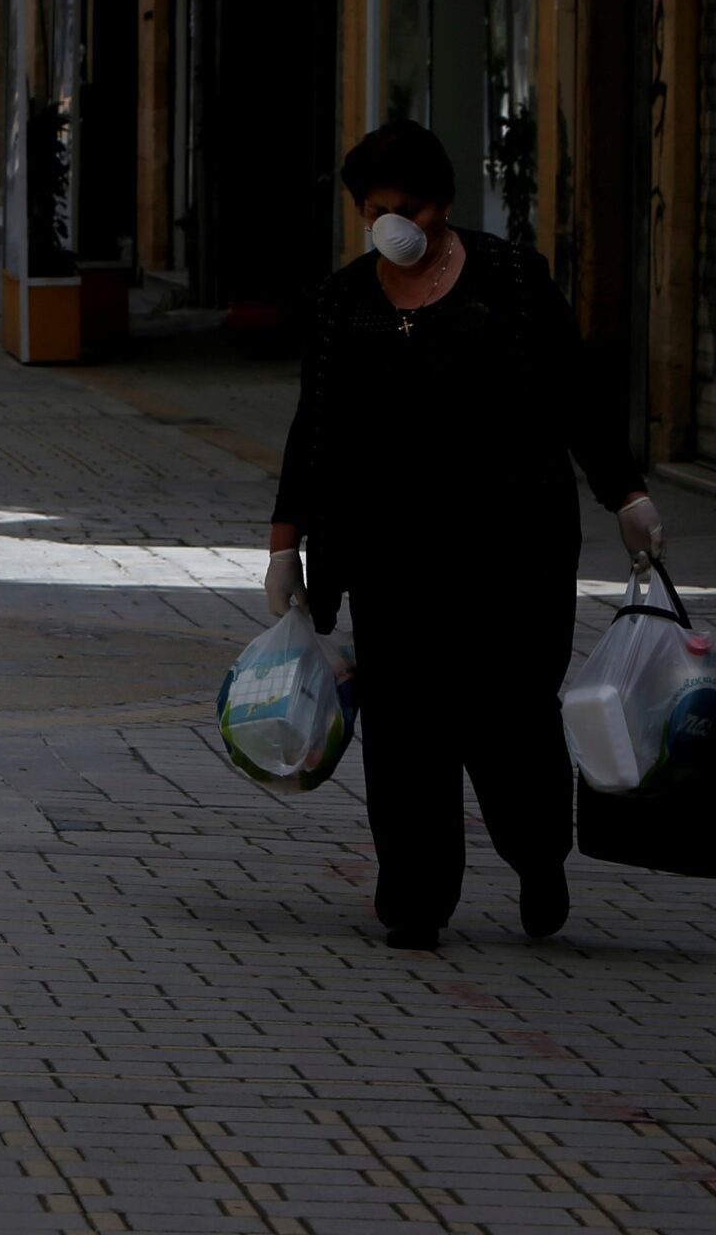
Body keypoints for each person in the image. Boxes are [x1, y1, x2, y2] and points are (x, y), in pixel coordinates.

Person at [266, 122, 664, 951]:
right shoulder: (345, 303)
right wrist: (285, 541)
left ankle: (537, 855)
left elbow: (575, 395)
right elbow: (316, 428)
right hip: (390, 553)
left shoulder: (511, 281)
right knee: (406, 728)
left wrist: (623, 491)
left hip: (511, 548)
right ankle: (415, 896)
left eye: (404, 208)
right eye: (373, 209)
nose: (390, 224)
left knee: (508, 719)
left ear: (442, 204)